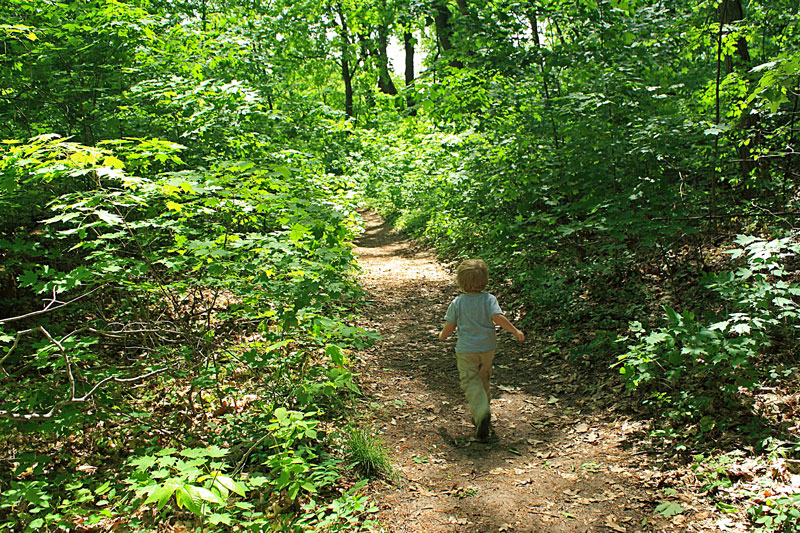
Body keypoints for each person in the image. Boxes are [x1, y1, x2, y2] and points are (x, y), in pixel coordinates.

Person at [438, 259, 524, 442]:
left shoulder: (458, 302)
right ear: (485, 281)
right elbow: (498, 318)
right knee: (484, 376)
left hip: (466, 350)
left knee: (470, 380)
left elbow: (450, 325)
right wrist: (515, 331)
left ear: (460, 282)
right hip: (487, 348)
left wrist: (442, 336)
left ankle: (481, 412)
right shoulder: (489, 299)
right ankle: (484, 410)